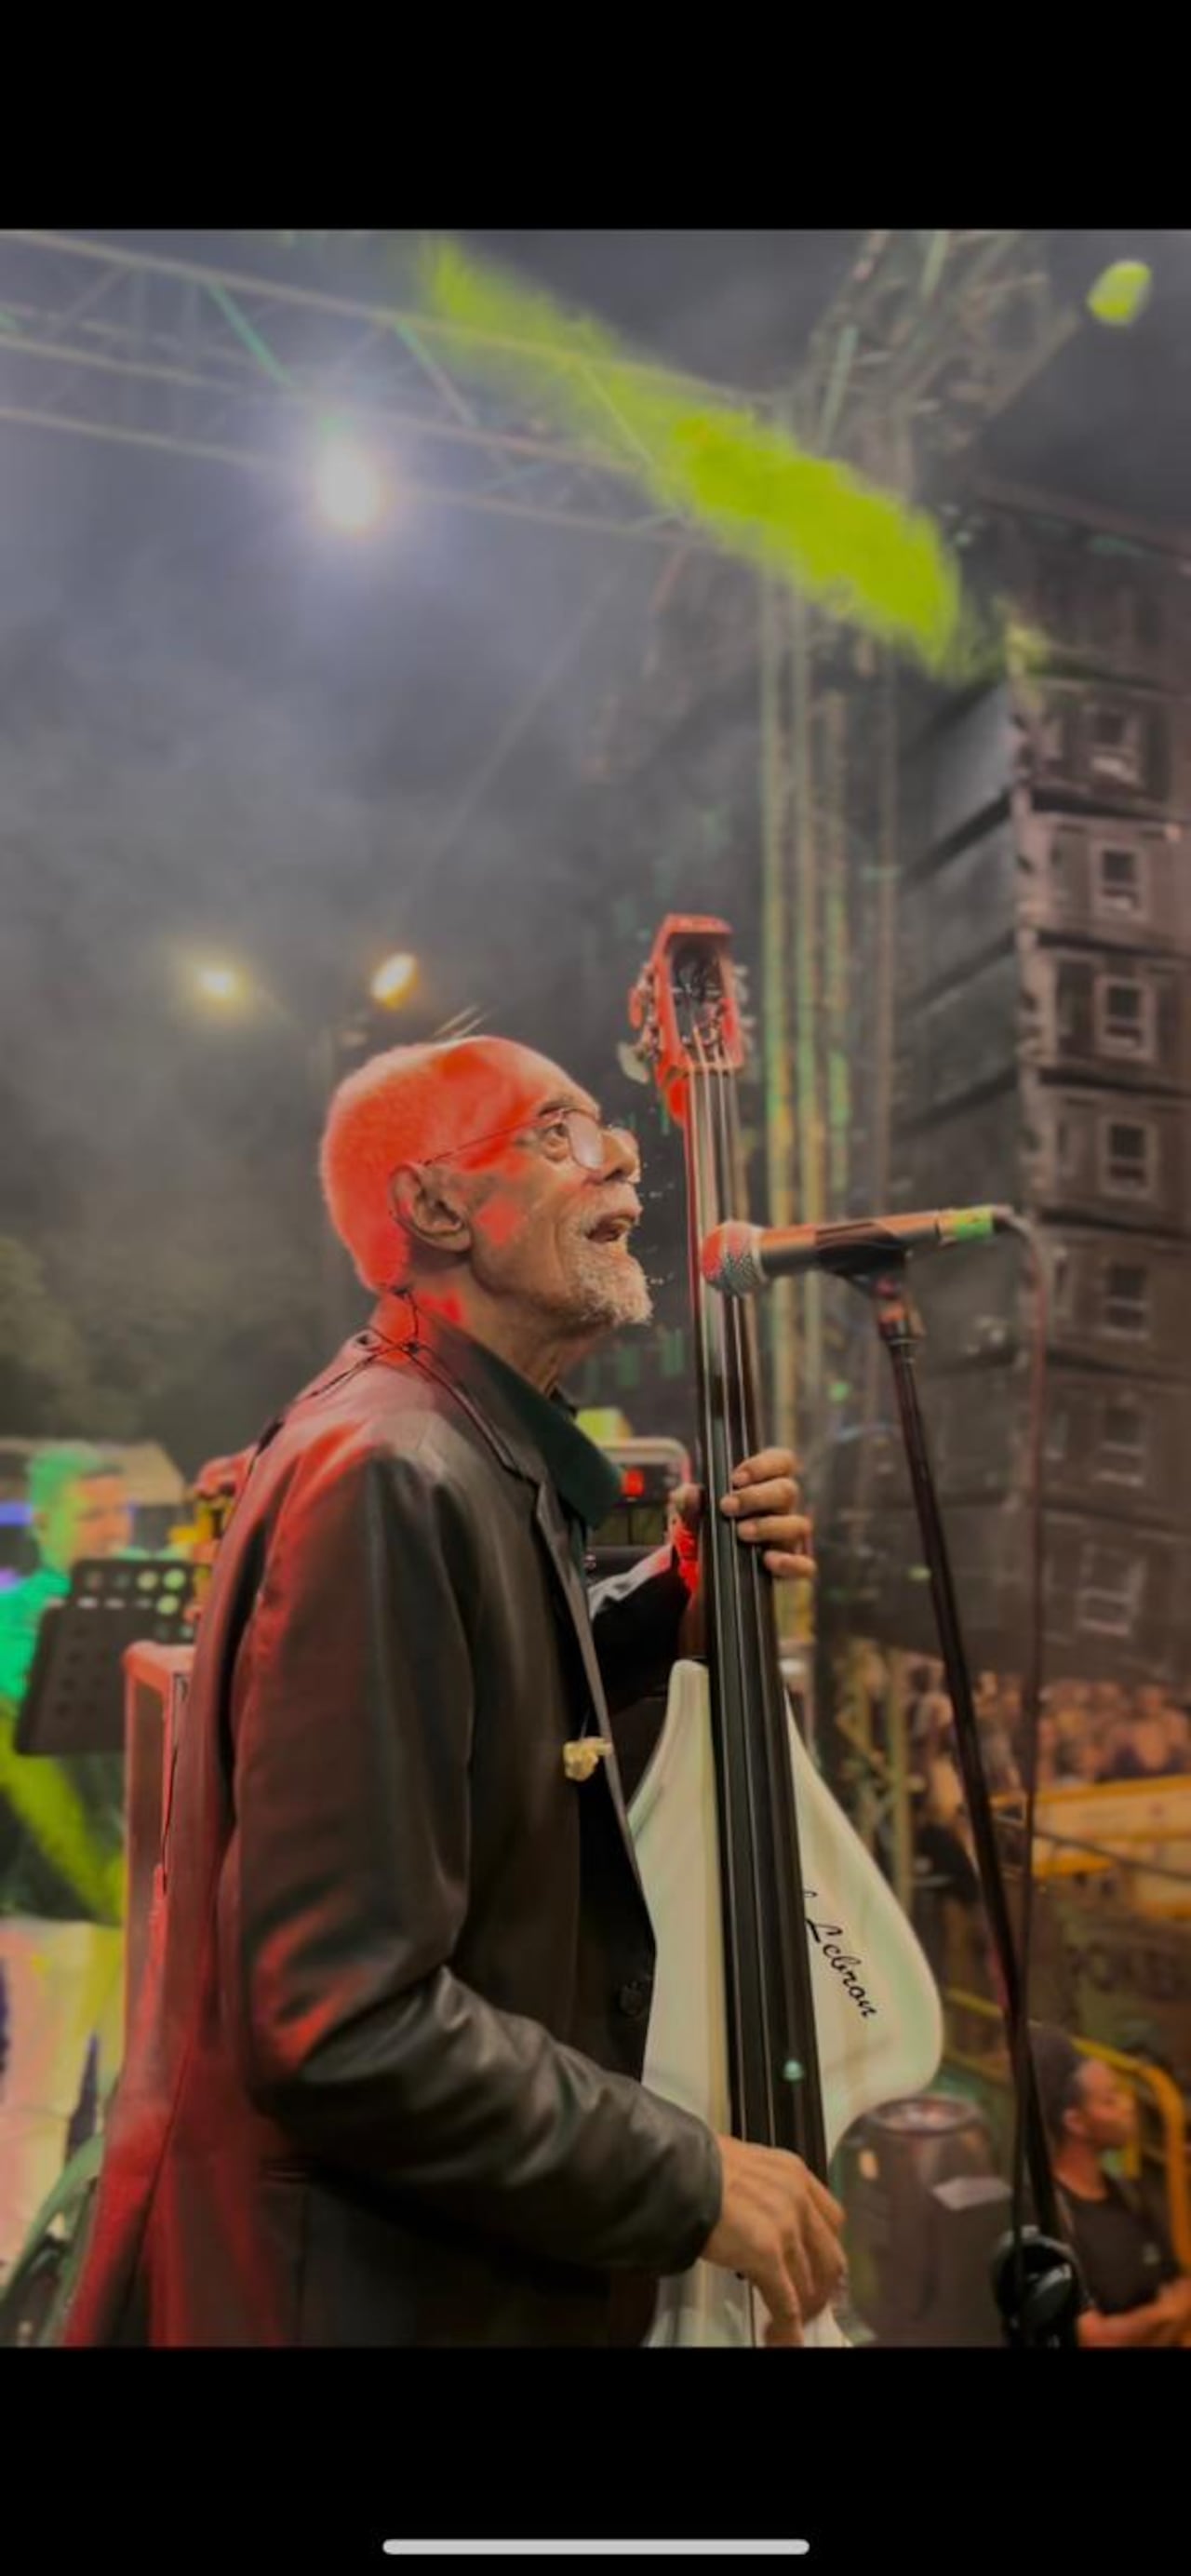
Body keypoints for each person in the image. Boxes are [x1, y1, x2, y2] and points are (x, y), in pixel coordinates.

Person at [63, 1035, 844, 2349]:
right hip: (367, 2300)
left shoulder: (458, 1443)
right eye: (555, 1131)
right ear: (433, 1209)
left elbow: (478, 1689)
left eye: (608, 1127)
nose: (624, 1155)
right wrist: (688, 2173)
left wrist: (669, 1594)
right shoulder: (388, 1471)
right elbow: (343, 2019)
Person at [0, 1446, 132, 2276]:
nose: (112, 1532)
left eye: (119, 1513)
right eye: (91, 1515)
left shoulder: (129, 1606)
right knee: (43, 2095)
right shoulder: (22, 1615)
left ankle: (99, 2257)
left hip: (127, 1886)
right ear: (44, 1524)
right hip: (47, 1896)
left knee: (128, 2089)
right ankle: (16, 2262)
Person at [1032, 2024, 1191, 2347]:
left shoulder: (1129, 2193)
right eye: (1110, 2100)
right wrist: (1162, 2314)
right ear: (1076, 2122)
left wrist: (1152, 2321)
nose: (1128, 2106)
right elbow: (1092, 2337)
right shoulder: (1050, 2215)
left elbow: (1182, 2292)